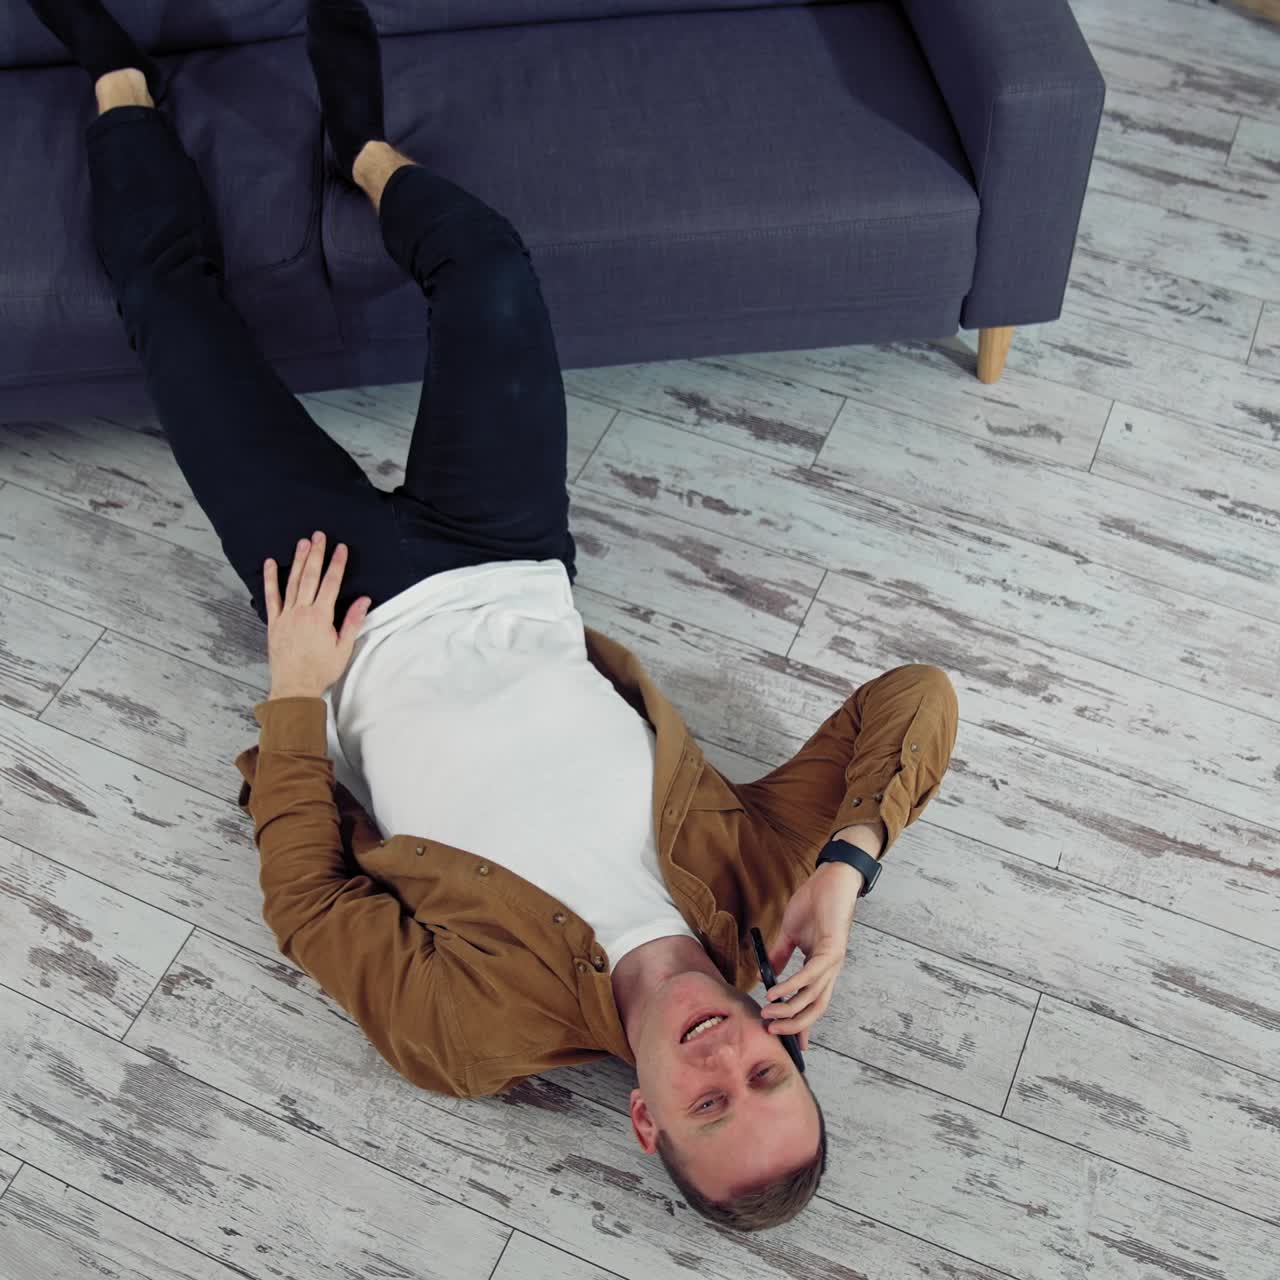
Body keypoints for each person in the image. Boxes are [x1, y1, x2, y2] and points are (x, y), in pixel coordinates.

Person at [29, 0, 958, 1232]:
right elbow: (918, 699)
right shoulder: (763, 900)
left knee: (172, 314)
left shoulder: (475, 1036)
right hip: (510, 554)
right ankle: (359, 147)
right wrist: (844, 869)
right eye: (765, 1073)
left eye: (711, 1102)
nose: (725, 1057)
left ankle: (115, 82)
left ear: (646, 1119)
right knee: (493, 271)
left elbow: (308, 907)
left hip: (340, 612)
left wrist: (298, 691)